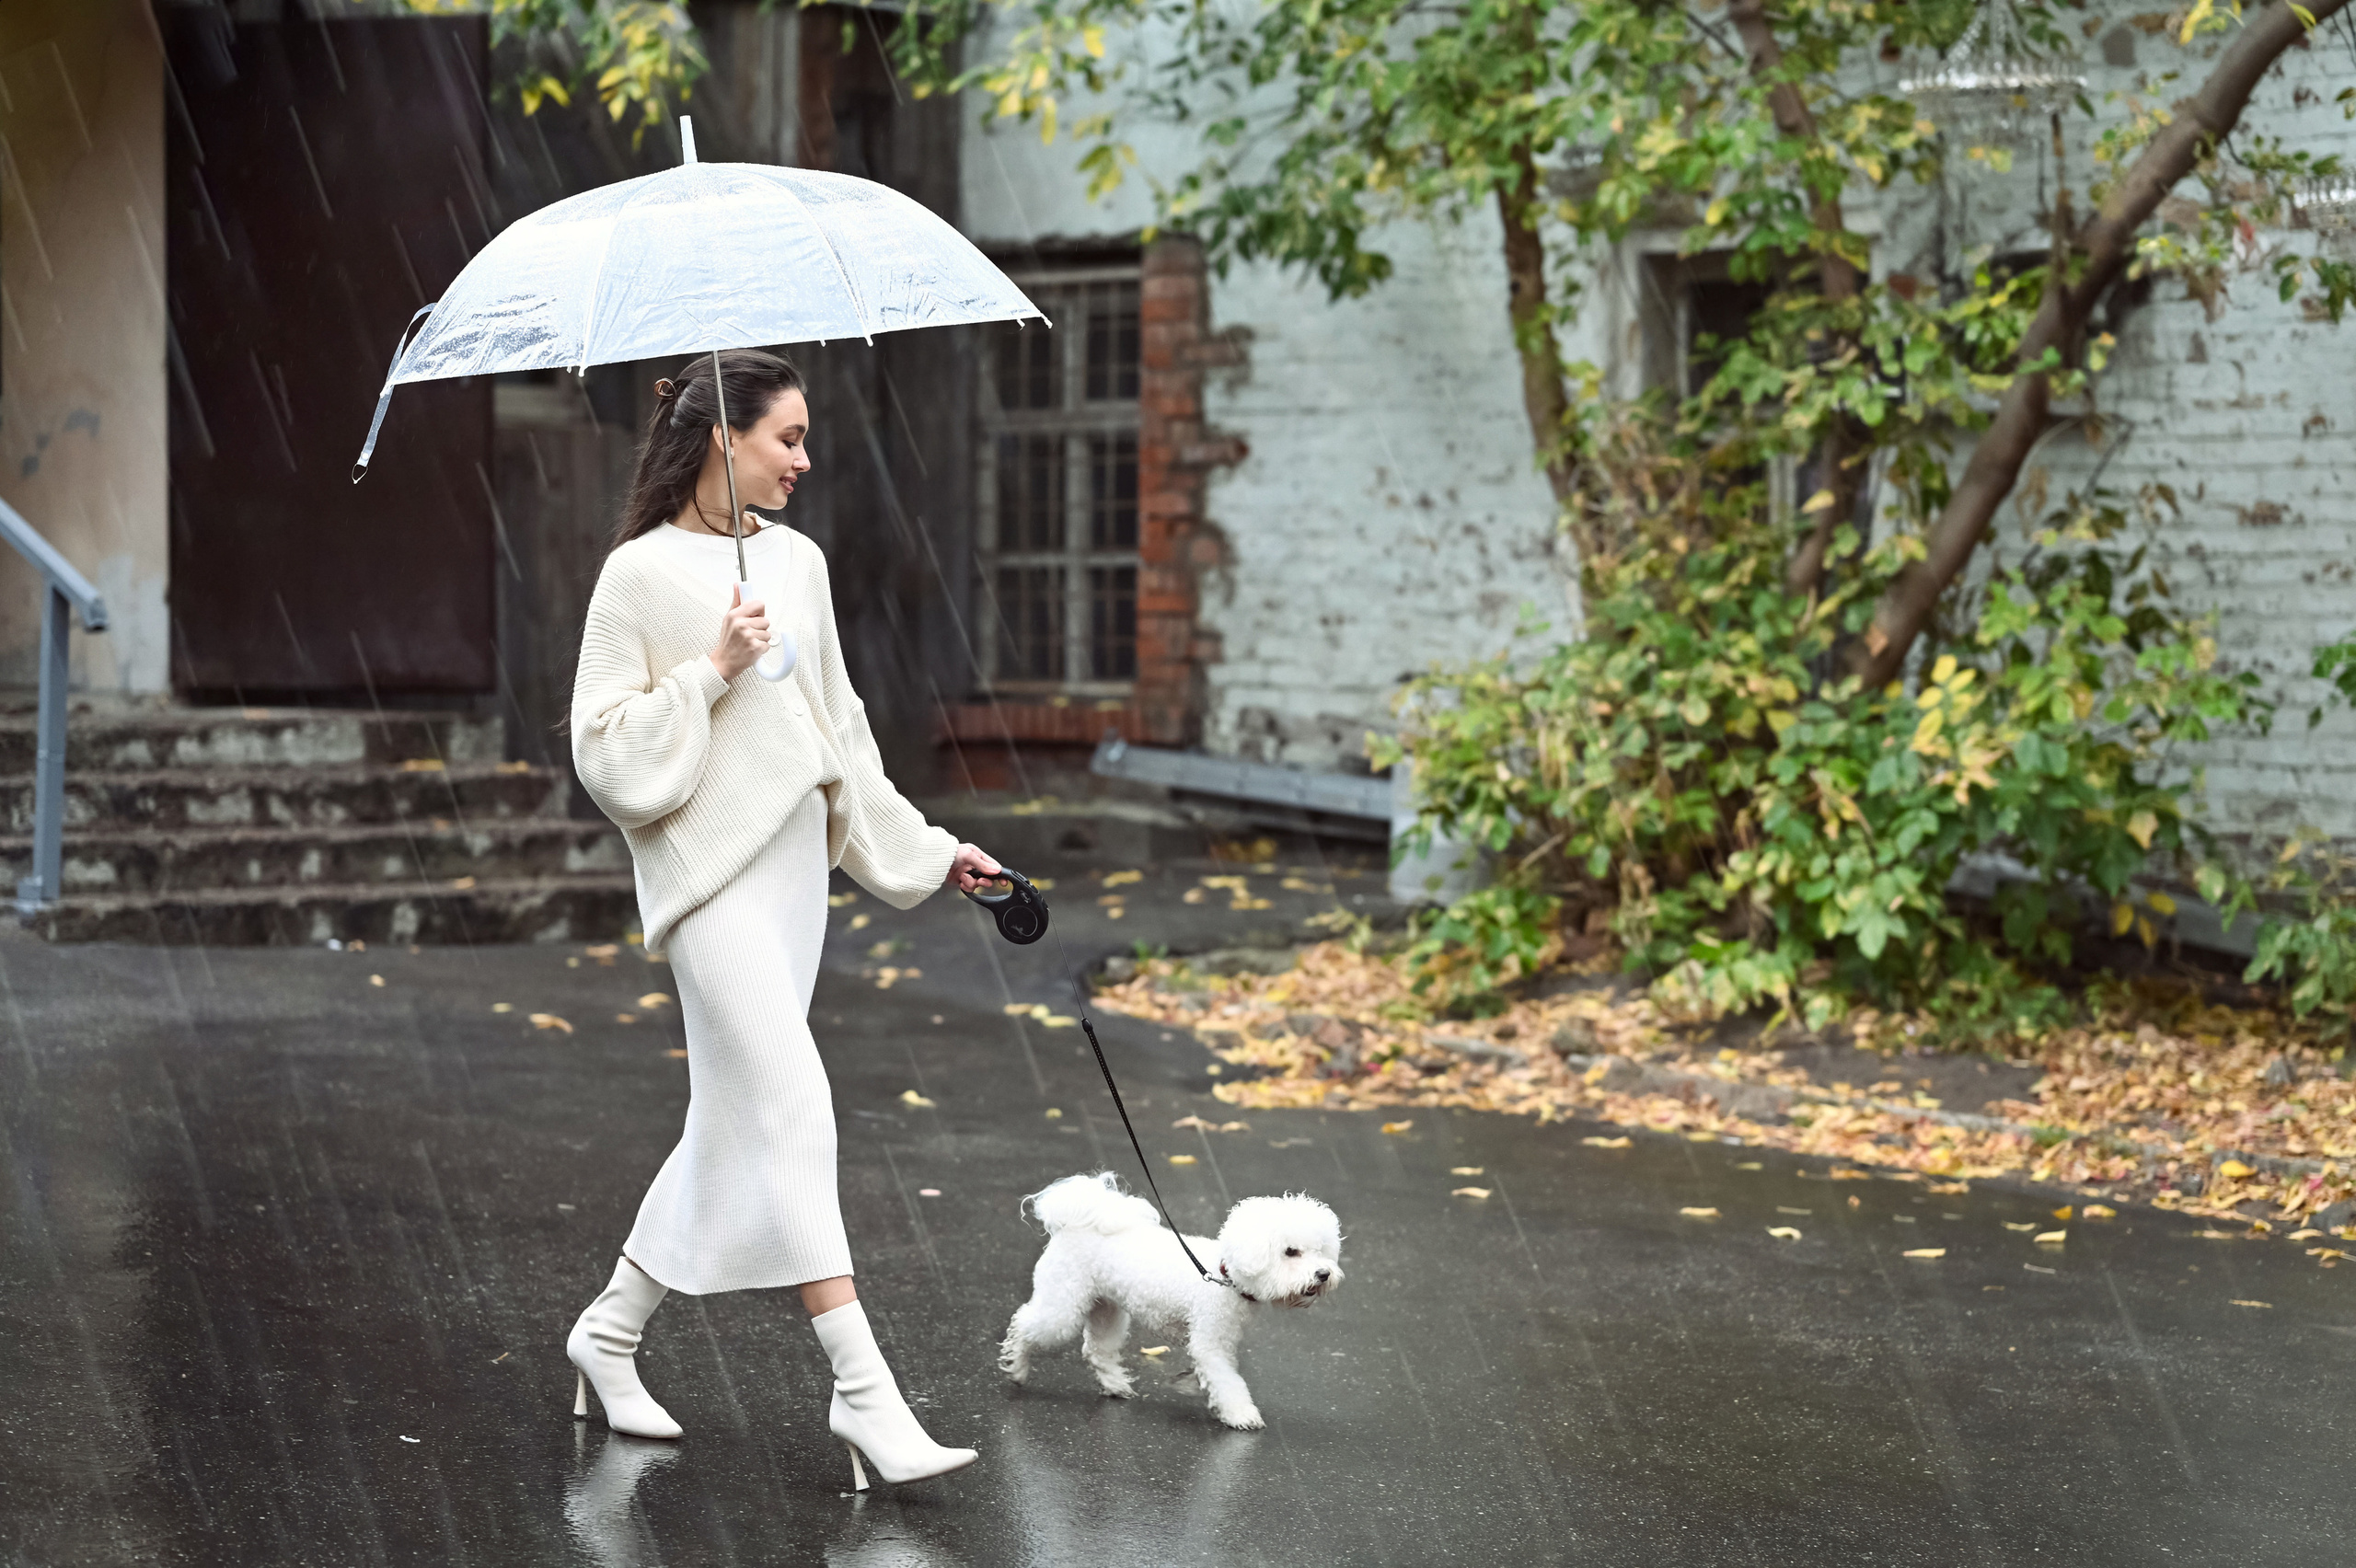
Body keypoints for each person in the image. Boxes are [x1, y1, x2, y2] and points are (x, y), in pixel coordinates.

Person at [564, 348, 999, 1490]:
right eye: (787, 438)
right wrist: (711, 669)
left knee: (732, 1120)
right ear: (724, 437)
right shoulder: (639, 577)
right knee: (794, 1106)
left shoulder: (796, 564)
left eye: (806, 439)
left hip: (795, 873)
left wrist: (928, 848)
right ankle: (865, 1397)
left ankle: (606, 1335)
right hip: (708, 885)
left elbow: (840, 732)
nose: (804, 460)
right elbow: (603, 748)